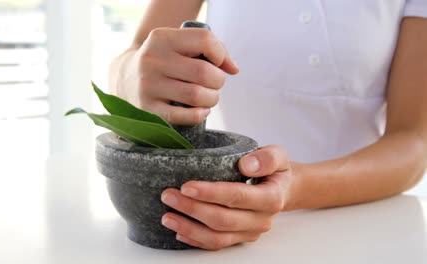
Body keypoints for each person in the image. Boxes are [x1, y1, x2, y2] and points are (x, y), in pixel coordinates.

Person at [108, 0, 427, 250]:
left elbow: (413, 142)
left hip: (364, 228)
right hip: (215, 231)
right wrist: (134, 75)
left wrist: (295, 188)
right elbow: (134, 56)